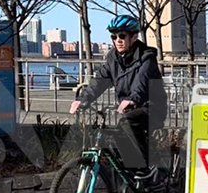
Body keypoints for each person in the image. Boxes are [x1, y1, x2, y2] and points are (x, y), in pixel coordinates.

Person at [69, 14, 165, 175]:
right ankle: (128, 175)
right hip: (128, 108)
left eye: (122, 36)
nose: (118, 40)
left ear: (134, 37)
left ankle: (143, 171)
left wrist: (132, 99)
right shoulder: (113, 59)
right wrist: (82, 100)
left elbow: (142, 82)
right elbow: (99, 80)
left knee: (127, 123)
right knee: (116, 137)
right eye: (114, 36)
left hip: (151, 108)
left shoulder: (146, 57)